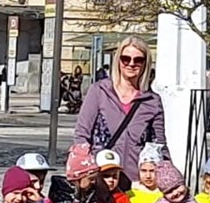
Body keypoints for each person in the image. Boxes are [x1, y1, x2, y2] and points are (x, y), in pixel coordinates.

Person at [71, 35, 168, 181]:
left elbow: (158, 145)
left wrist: (169, 177)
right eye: (126, 58)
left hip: (136, 181)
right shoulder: (99, 91)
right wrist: (85, 170)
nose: (131, 64)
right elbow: (82, 134)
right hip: (102, 176)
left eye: (138, 60)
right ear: (118, 61)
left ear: (145, 64)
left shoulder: (152, 101)